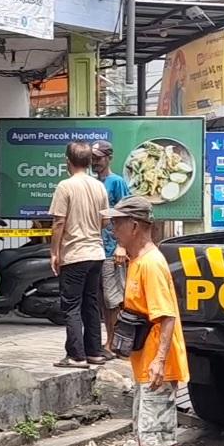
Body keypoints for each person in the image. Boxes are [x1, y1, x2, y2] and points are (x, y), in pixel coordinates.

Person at [103, 196, 190, 446]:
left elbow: (166, 316)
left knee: (161, 431)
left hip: (158, 364)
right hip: (146, 360)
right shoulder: (139, 260)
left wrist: (159, 360)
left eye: (117, 223)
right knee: (145, 427)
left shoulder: (151, 264)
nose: (113, 229)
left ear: (135, 226)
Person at [50, 141, 110, 369]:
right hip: (96, 253)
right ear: (88, 161)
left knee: (71, 305)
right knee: (91, 304)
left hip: (74, 254)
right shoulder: (99, 187)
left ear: (68, 161)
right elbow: (105, 221)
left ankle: (76, 355)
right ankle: (94, 351)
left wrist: (54, 252)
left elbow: (58, 222)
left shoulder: (65, 186)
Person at [91, 140, 131, 352]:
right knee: (103, 300)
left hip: (112, 250)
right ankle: (109, 340)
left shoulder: (116, 183)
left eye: (98, 158)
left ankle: (115, 342)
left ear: (109, 158)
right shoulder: (93, 183)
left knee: (114, 299)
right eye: (92, 158)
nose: (95, 162)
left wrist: (122, 246)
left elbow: (127, 215)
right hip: (96, 248)